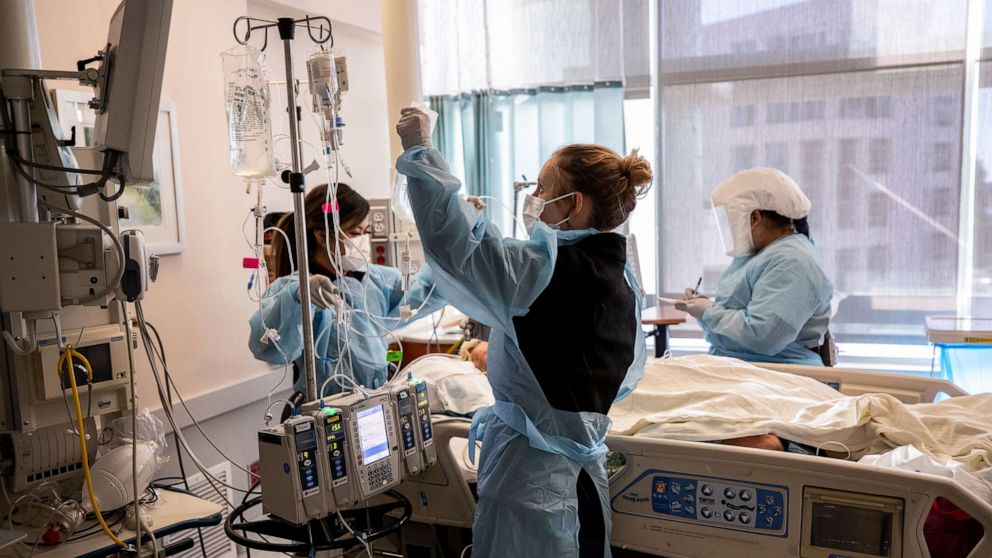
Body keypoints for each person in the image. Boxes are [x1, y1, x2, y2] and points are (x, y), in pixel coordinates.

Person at [395, 107, 650, 558]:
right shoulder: (620, 273)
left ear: (573, 202)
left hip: (530, 487)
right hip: (583, 485)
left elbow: (454, 245)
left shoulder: (542, 269)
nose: (533, 198)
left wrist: (420, 152)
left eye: (541, 189)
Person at [248, 182, 443, 396]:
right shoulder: (295, 289)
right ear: (321, 236)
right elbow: (269, 348)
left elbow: (428, 291)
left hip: (375, 400)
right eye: (354, 232)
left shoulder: (374, 280)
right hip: (328, 409)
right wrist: (298, 298)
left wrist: (454, 240)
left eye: (365, 231)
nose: (363, 241)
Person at [676, 168, 833, 366]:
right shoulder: (763, 252)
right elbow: (742, 309)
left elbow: (763, 336)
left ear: (755, 218)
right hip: (743, 368)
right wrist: (706, 307)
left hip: (777, 375)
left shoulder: (792, 262)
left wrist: (709, 312)